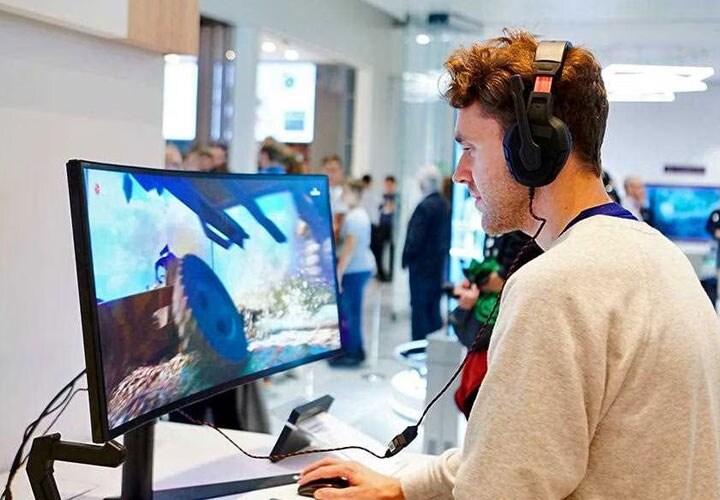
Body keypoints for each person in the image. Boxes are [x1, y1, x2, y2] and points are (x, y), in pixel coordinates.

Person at [299, 30, 720, 499]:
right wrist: (404, 486)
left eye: (470, 148)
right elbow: (516, 452)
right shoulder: (661, 258)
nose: (459, 173)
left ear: (532, 152)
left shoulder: (557, 287)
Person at [450, 231, 542, 418]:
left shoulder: (523, 229)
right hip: (496, 332)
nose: (477, 200)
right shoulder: (501, 224)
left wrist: (480, 283)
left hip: (508, 333)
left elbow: (505, 278)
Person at [402, 165, 451, 341]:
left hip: (421, 268)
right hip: (437, 267)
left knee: (420, 309)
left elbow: (415, 238)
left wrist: (406, 258)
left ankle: (418, 349)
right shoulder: (444, 205)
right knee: (433, 310)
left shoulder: (425, 206)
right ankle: (433, 354)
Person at [330, 179, 375, 367]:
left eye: (346, 191)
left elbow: (349, 248)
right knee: (351, 311)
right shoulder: (359, 214)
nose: (342, 195)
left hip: (355, 270)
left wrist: (339, 273)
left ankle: (354, 352)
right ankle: (351, 348)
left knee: (351, 312)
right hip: (360, 267)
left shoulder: (354, 217)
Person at [322, 154, 348, 241]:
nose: (329, 175)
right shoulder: (319, 192)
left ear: (341, 172)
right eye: (327, 170)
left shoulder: (344, 194)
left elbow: (337, 227)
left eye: (333, 171)